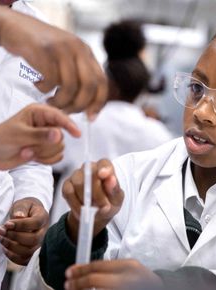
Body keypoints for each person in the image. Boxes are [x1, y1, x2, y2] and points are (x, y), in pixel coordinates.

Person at [19, 11, 216, 290]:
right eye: (197, 88)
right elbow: (48, 283)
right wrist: (79, 228)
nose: (201, 112)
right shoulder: (128, 175)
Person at [0, 0, 106, 289]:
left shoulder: (39, 34)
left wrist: (31, 200)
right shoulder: (25, 32)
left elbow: (31, 160)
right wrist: (3, 26)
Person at [49, 20, 173, 224]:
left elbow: (48, 170)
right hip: (125, 238)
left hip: (70, 230)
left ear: (108, 84)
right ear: (141, 89)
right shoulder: (158, 135)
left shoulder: (76, 124)